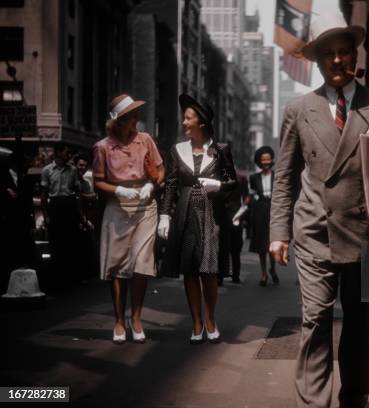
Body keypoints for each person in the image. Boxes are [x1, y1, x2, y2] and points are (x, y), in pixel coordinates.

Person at [269, 14, 369, 408]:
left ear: (354, 56)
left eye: (345, 52)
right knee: (316, 320)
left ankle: (354, 398)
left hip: (367, 234)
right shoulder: (298, 109)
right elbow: (285, 174)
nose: (338, 61)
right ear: (319, 61)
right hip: (314, 232)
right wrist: (279, 231)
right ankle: (313, 403)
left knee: (361, 327)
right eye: (330, 54)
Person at [158, 94, 237, 344]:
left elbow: (233, 182)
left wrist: (219, 185)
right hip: (185, 214)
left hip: (212, 215)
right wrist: (164, 215)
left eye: (188, 118)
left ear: (201, 122)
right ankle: (196, 322)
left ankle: (211, 318)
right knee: (190, 271)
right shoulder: (176, 150)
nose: (184, 122)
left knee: (209, 270)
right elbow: (171, 185)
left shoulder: (221, 149)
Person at [93, 94, 164, 344]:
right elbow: (98, 181)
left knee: (142, 264)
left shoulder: (145, 140)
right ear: (119, 120)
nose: (136, 118)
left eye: (136, 114)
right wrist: (119, 190)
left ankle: (136, 318)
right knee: (118, 267)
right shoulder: (102, 147)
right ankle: (119, 321)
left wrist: (151, 186)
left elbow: (160, 169)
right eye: (131, 115)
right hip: (118, 205)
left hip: (145, 205)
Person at [40, 143, 82, 288]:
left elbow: (78, 193)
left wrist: (80, 215)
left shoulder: (73, 170)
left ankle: (70, 278)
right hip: (55, 206)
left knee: (70, 243)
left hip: (69, 206)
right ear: (58, 153)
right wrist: (46, 216)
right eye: (66, 153)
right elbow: (44, 194)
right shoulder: (47, 170)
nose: (69, 155)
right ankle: (56, 279)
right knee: (55, 244)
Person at [249, 146, 279, 286]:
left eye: (268, 159)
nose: (266, 162)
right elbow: (252, 196)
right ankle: (263, 274)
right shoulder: (253, 178)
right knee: (262, 246)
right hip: (260, 213)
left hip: (274, 212)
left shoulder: (277, 176)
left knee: (272, 244)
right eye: (263, 159)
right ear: (259, 161)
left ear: (271, 160)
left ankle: (272, 269)